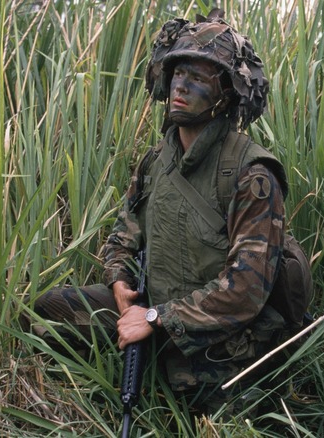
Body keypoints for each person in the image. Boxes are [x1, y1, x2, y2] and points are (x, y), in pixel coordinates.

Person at [24, 10, 291, 414]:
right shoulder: (156, 161)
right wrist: (120, 283)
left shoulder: (251, 174)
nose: (181, 86)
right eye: (178, 73)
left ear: (226, 93)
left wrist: (155, 317)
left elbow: (245, 292)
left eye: (199, 78)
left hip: (217, 329)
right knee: (44, 312)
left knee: (201, 406)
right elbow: (123, 236)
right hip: (153, 306)